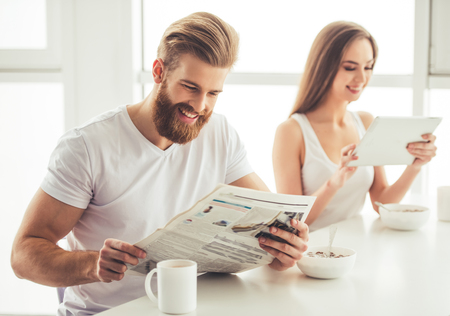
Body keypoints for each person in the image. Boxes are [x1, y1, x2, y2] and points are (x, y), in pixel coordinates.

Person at [11, 12, 309, 316]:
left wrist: (285, 249)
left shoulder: (220, 134)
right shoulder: (87, 147)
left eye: (213, 93)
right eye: (190, 87)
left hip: (191, 308)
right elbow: (23, 254)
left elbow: (274, 220)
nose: (200, 106)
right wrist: (91, 264)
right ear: (158, 71)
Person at [272, 21, 437, 232]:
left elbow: (382, 203)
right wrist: (335, 181)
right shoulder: (291, 131)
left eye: (368, 67)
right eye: (350, 67)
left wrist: (414, 165)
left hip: (355, 248)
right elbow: (292, 222)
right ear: (324, 66)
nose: (362, 78)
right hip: (311, 256)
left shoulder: (366, 122)